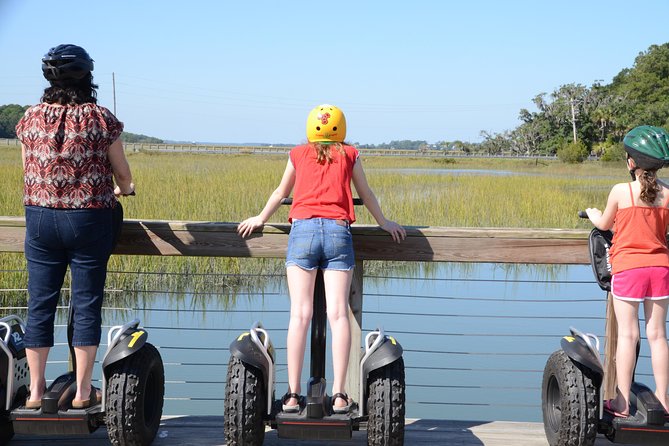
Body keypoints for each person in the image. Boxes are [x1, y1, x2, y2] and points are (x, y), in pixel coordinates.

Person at [237, 104, 405, 413]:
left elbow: (279, 192)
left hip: (303, 232)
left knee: (300, 315)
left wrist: (260, 218)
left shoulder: (298, 154)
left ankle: (291, 396)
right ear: (341, 129)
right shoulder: (349, 154)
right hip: (338, 232)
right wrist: (385, 223)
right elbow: (366, 194)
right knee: (339, 315)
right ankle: (340, 395)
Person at [15, 44, 135, 409]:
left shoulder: (30, 117)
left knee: (40, 304)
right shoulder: (100, 118)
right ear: (88, 76)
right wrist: (123, 190)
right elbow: (124, 176)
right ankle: (83, 393)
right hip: (88, 220)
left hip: (40, 218)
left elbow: (27, 170)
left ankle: (35, 393)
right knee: (85, 305)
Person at [585, 125, 669, 418]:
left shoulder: (621, 191)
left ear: (631, 162)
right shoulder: (668, 194)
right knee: (658, 335)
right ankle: (664, 399)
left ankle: (620, 403)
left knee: (628, 336)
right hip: (660, 269)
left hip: (629, 270)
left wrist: (593, 214)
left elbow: (605, 224)